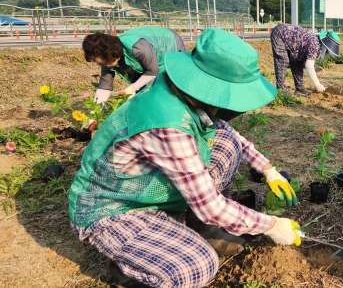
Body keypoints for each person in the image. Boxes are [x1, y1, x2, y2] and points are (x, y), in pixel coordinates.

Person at [68, 28, 302, 288]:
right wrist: (271, 226)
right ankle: (132, 268)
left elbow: (227, 131)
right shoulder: (166, 124)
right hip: (115, 209)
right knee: (197, 267)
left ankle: (193, 225)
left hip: (150, 188)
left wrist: (268, 169)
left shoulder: (179, 87)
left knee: (227, 144)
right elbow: (212, 206)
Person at [82, 27, 186, 103]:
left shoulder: (138, 48)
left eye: (101, 63)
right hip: (146, 62)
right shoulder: (106, 61)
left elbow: (152, 71)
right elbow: (104, 87)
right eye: (98, 63)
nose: (101, 66)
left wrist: (132, 88)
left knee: (170, 86)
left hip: (170, 44)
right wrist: (94, 114)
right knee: (143, 93)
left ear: (112, 55)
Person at [270, 24, 340, 94]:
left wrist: (314, 66)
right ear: (326, 47)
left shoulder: (317, 42)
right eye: (327, 51)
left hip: (290, 40)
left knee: (298, 62)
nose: (327, 53)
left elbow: (307, 59)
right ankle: (280, 89)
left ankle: (299, 88)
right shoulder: (315, 45)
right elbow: (308, 66)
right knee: (283, 60)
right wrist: (317, 84)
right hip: (280, 33)